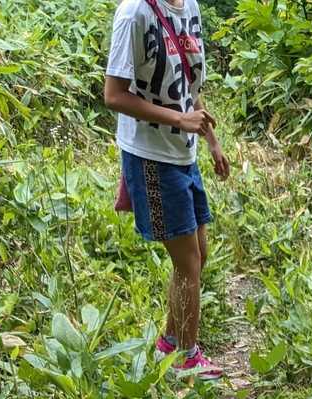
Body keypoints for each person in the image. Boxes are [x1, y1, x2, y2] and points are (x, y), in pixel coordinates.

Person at [105, 0, 230, 379]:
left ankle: (170, 342)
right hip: (151, 155)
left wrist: (211, 140)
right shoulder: (134, 13)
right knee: (187, 261)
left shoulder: (188, 6)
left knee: (198, 255)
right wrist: (179, 119)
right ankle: (187, 359)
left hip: (183, 151)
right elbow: (113, 95)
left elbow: (187, 82)